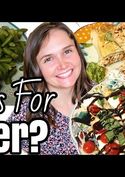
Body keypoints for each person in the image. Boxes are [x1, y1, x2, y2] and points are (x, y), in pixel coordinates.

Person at [8, 22, 93, 155]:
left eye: (67, 51)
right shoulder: (23, 119)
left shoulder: (105, 93)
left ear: (78, 52)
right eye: (48, 59)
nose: (63, 64)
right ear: (36, 68)